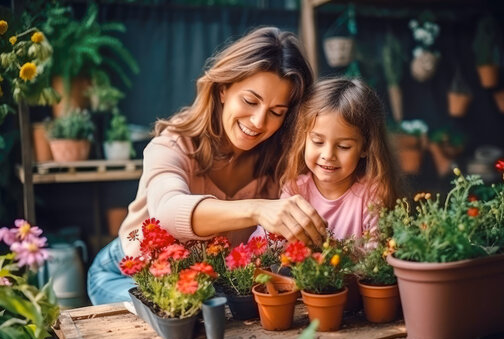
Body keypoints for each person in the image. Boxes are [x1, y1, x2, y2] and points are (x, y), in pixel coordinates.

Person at [88, 26, 327, 305]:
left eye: (276, 112)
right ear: (223, 89)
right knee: (181, 311)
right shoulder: (173, 144)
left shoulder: (280, 161)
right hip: (125, 272)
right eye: (250, 101)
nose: (259, 122)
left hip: (202, 285)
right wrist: (259, 209)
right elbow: (167, 212)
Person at [250, 77, 400, 242]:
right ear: (304, 138)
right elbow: (270, 242)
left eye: (343, 146)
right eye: (318, 142)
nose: (328, 155)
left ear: (365, 148)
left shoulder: (372, 194)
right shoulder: (296, 189)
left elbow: (377, 256)